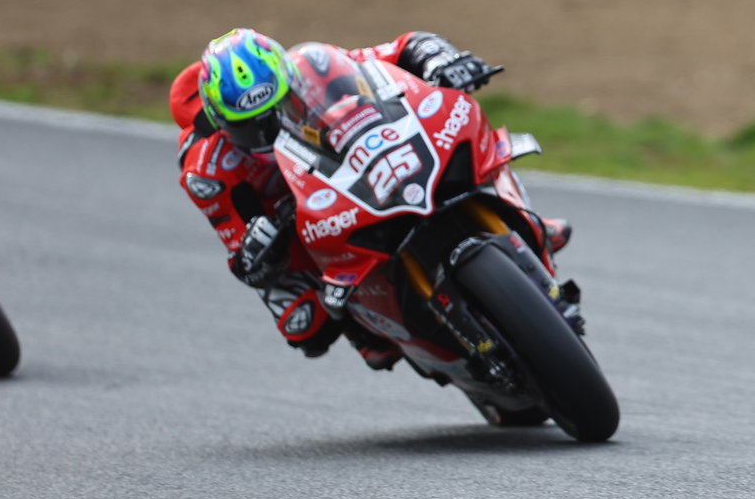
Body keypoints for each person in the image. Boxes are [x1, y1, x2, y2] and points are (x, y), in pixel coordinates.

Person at [170, 28, 571, 369]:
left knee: (469, 142)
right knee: (305, 324)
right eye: (250, 129)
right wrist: (257, 245)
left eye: (276, 114)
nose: (267, 134)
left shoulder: (311, 72)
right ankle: (362, 325)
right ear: (218, 120)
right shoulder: (207, 170)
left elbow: (395, 52)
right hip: (290, 215)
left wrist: (438, 59)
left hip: (345, 165)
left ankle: (523, 219)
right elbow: (243, 258)